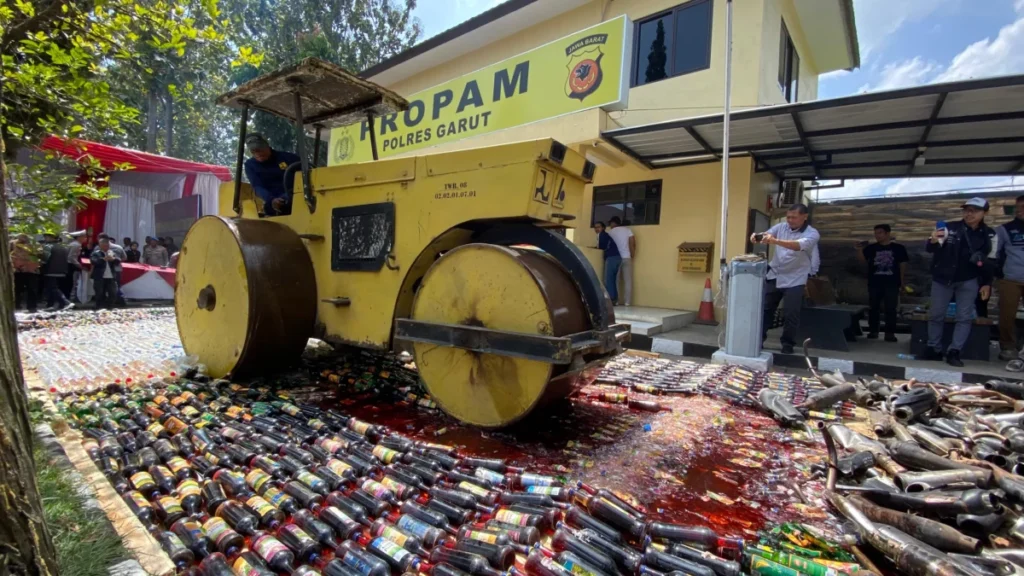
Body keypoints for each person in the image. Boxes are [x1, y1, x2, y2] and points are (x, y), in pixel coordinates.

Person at [924, 197, 994, 367]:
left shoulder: (989, 234)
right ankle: (934, 348)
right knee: (936, 314)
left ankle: (954, 351)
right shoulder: (949, 227)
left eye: (974, 210)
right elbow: (930, 248)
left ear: (984, 213)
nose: (969, 213)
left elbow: (991, 261)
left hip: (969, 279)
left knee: (964, 317)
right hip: (942, 278)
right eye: (966, 210)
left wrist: (987, 282)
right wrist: (932, 240)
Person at [751, 203, 820, 355]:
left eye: (794, 217)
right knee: (765, 309)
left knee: (791, 313)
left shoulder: (812, 233)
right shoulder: (781, 227)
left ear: (804, 217)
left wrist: (775, 241)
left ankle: (787, 344)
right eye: (788, 217)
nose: (790, 220)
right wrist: (758, 236)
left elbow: (797, 246)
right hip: (775, 273)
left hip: (796, 278)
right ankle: (758, 340)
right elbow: (767, 234)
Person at [856, 224, 908, 342]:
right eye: (875, 233)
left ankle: (890, 333)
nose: (877, 235)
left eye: (880, 233)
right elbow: (862, 261)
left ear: (887, 233)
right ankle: (873, 331)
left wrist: (902, 281)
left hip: (892, 282)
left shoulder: (898, 248)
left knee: (891, 308)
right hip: (875, 282)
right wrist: (859, 250)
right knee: (873, 307)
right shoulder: (872, 248)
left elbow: (903, 264)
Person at [243, 133, 301, 217]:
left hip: (295, 199)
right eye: (253, 151)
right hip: (271, 203)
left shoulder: (289, 158)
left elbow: (305, 179)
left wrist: (286, 197)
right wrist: (271, 200)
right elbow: (257, 186)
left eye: (259, 149)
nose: (257, 153)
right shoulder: (250, 165)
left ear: (266, 145)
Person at [995, 195, 1024, 361]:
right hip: (1010, 279)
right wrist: (999, 274)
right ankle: (1008, 347)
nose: (1020, 210)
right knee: (1007, 315)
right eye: (1018, 207)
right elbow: (994, 254)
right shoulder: (1005, 229)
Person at [606, 216, 635, 306]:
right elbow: (633, 243)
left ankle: (617, 301)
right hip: (626, 257)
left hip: (615, 258)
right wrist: (632, 255)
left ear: (613, 223)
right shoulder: (627, 230)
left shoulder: (610, 232)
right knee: (628, 281)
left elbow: (607, 245)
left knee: (616, 280)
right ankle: (627, 302)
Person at [40, 233, 73, 311]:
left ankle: (66, 302)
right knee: (52, 288)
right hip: (62, 270)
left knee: (52, 287)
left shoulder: (48, 246)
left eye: (46, 237)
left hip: (50, 270)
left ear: (50, 237)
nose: (45, 239)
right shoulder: (63, 247)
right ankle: (51, 305)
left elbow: (45, 258)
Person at [11, 234, 41, 312]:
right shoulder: (12, 244)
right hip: (17, 270)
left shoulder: (35, 245)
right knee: (17, 289)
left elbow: (40, 256)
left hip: (31, 270)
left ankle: (32, 307)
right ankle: (16, 305)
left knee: (32, 289)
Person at [593, 222, 621, 304]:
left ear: (603, 228)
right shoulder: (605, 235)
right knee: (613, 280)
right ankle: (614, 299)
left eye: (599, 227)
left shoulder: (601, 235)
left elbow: (601, 247)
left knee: (608, 279)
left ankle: (611, 299)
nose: (596, 229)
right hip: (617, 257)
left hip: (611, 258)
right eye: (595, 227)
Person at [90, 237, 122, 309]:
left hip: (110, 276)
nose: (106, 247)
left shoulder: (111, 252)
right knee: (99, 293)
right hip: (100, 276)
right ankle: (99, 306)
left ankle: (109, 306)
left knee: (113, 292)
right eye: (104, 245)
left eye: (107, 245)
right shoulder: (96, 253)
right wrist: (104, 259)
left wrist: (113, 259)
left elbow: (118, 261)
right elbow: (94, 261)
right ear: (100, 245)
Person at [66, 230, 87, 302]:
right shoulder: (76, 245)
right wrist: (80, 266)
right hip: (71, 266)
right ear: (79, 237)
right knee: (72, 283)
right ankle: (70, 300)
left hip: (71, 265)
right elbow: (71, 257)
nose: (85, 238)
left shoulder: (75, 244)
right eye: (84, 237)